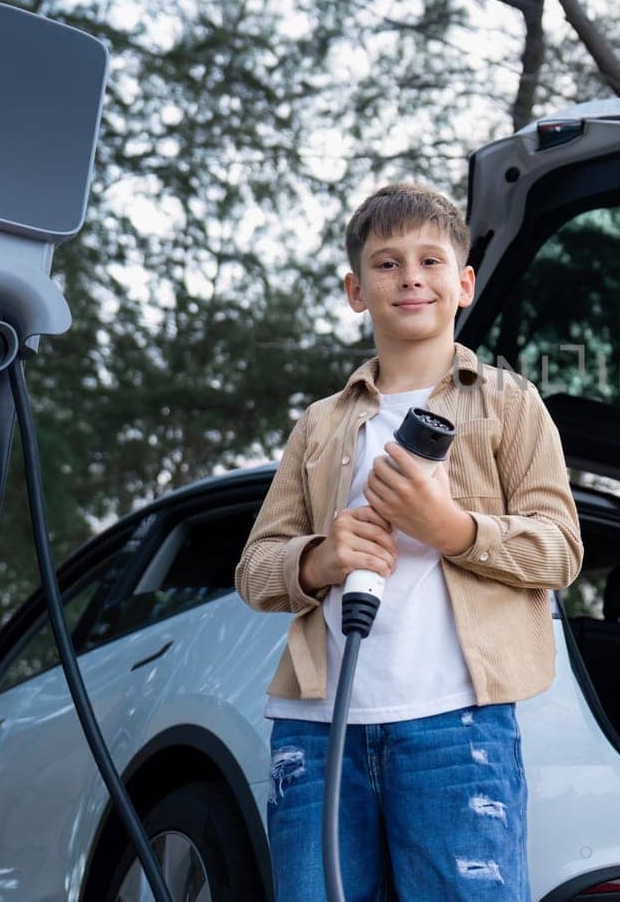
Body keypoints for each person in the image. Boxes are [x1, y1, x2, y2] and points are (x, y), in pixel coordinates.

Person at [234, 182, 582, 901]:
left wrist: (453, 529)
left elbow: (561, 549)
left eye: (430, 260)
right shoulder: (321, 423)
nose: (411, 277)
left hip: (455, 726)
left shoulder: (509, 404)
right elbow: (253, 570)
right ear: (356, 290)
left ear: (464, 283)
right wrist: (320, 557)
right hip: (317, 730)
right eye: (387, 264)